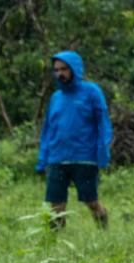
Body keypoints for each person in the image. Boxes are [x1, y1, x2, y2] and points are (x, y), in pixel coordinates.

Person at [36, 50, 112, 229]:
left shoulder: (92, 92)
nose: (59, 74)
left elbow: (103, 123)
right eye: (56, 70)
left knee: (91, 201)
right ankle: (55, 245)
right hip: (57, 157)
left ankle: (104, 231)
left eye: (64, 69)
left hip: (84, 157)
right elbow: (48, 129)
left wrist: (102, 152)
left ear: (75, 69)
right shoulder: (55, 98)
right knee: (55, 206)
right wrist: (42, 158)